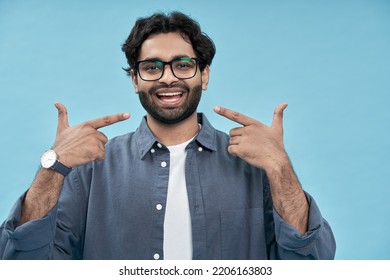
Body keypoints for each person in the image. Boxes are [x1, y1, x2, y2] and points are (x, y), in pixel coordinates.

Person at [0, 11, 335, 260]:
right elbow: (21, 264)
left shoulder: (254, 164)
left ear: (204, 75)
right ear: (135, 80)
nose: (168, 79)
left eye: (184, 65)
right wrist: (53, 165)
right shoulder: (91, 167)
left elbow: (312, 264)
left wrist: (280, 167)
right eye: (152, 67)